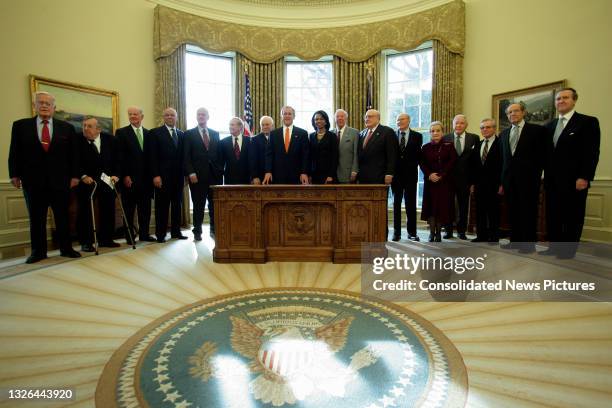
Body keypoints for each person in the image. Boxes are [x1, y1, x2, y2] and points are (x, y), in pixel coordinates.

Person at [8, 91, 81, 263]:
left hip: (61, 181)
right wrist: (14, 174)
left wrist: (75, 176)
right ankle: (38, 252)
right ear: (34, 106)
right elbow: (14, 152)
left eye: (48, 103)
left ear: (54, 107)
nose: (44, 105)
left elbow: (74, 156)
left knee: (63, 217)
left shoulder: (67, 128)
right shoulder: (20, 126)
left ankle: (66, 248)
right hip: (33, 181)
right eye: (40, 102)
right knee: (36, 218)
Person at [541, 88, 600, 259]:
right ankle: (554, 247)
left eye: (565, 98)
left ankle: (568, 251)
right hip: (552, 180)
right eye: (558, 98)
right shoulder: (549, 126)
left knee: (572, 215)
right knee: (553, 215)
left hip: (575, 180)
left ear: (574, 100)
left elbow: (591, 152)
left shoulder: (587, 122)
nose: (561, 101)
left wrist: (584, 176)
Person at [499, 102, 546, 253]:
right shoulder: (504, 134)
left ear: (523, 112)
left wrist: (540, 175)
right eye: (509, 112)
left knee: (528, 211)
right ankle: (516, 240)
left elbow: (543, 156)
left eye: (516, 111)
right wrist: (502, 181)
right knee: (513, 211)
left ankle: (528, 244)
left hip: (529, 179)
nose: (512, 114)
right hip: (509, 180)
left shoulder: (537, 131)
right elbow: (503, 159)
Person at [76, 117, 120, 251]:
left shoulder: (110, 140)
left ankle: (106, 239)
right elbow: (73, 160)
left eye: (89, 126)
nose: (85, 128)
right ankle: (86, 242)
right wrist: (83, 176)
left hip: (107, 181)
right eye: (84, 126)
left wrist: (116, 175)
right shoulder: (77, 140)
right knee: (86, 212)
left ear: (98, 129)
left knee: (108, 209)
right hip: (87, 181)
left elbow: (118, 160)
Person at [115, 106, 155, 244]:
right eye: (130, 114)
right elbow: (119, 157)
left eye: (135, 114)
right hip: (130, 180)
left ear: (141, 117)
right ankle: (129, 236)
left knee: (145, 210)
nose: (132, 116)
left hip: (146, 181)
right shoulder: (121, 133)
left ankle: (144, 234)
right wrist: (125, 175)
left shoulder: (149, 133)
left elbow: (151, 158)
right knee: (129, 210)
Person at [183, 107, 222, 241]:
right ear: (196, 117)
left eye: (203, 114)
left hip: (214, 177)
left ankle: (214, 230)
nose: (201, 116)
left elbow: (219, 154)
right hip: (197, 177)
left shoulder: (215, 133)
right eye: (199, 114)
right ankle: (197, 231)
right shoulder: (188, 134)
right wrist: (190, 172)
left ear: (208, 117)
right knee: (198, 205)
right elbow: (186, 156)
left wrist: (220, 170)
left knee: (214, 205)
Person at [150, 107, 187, 243]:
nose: (170, 117)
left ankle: (176, 232)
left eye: (172, 115)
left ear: (176, 117)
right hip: (162, 178)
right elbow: (152, 157)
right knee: (162, 207)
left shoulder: (182, 134)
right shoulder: (155, 133)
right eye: (167, 115)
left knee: (177, 205)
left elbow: (184, 157)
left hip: (178, 178)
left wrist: (185, 175)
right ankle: (160, 234)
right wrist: (155, 175)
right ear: (163, 117)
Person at [442, 114, 479, 240]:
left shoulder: (474, 138)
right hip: (448, 180)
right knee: (448, 205)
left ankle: (461, 231)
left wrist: (473, 182)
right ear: (453, 125)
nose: (458, 125)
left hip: (465, 180)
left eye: (461, 123)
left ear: (466, 125)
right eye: (456, 123)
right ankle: (448, 230)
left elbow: (476, 162)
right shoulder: (445, 138)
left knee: (464, 206)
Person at [420, 121, 457, 242]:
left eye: (438, 130)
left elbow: (452, 162)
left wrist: (441, 175)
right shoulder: (425, 147)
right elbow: (422, 163)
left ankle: (439, 234)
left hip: (444, 182)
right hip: (430, 182)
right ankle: (431, 233)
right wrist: (430, 174)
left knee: (441, 208)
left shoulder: (449, 145)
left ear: (442, 132)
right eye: (432, 131)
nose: (435, 133)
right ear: (430, 133)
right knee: (431, 208)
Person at [469, 118, 502, 243]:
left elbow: (503, 165)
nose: (485, 130)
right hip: (479, 185)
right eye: (482, 127)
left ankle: (494, 237)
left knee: (493, 211)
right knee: (480, 211)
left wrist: (501, 184)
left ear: (494, 129)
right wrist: (472, 183)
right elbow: (473, 166)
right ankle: (481, 235)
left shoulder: (501, 143)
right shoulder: (478, 144)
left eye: (488, 127)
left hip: (494, 184)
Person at [391, 113, 422, 242]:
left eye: (402, 119)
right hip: (396, 176)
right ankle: (396, 233)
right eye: (397, 120)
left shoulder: (417, 136)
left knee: (410, 205)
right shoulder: (392, 135)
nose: (399, 121)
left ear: (409, 121)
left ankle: (412, 232)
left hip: (410, 176)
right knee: (396, 205)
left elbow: (418, 156)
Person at [263, 106, 309, 185]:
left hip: (297, 176)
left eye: (289, 114)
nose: (287, 116)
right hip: (277, 175)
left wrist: (304, 172)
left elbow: (305, 155)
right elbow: (269, 154)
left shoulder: (302, 133)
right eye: (285, 114)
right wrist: (268, 171)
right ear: (281, 116)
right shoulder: (273, 134)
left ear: (293, 116)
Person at [357, 109, 398, 184]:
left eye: (370, 117)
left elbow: (392, 155)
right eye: (366, 117)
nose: (367, 119)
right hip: (363, 177)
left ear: (378, 118)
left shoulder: (387, 132)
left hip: (379, 176)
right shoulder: (362, 133)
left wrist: (389, 173)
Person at [220, 117, 253, 184]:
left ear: (240, 127)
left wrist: (254, 176)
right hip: (229, 180)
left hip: (246, 180)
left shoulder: (250, 141)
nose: (230, 127)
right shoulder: (223, 142)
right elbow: (220, 162)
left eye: (232, 125)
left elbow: (253, 161)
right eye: (229, 125)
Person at [309, 110, 338, 184]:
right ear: (313, 122)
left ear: (326, 121)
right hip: (314, 174)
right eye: (316, 119)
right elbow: (310, 156)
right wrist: (309, 174)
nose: (318, 121)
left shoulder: (332, 136)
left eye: (321, 119)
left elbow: (335, 157)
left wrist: (330, 175)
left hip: (328, 175)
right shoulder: (311, 136)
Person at [334, 109, 359, 183]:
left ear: (346, 118)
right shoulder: (331, 133)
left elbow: (356, 153)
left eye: (342, 116)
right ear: (335, 119)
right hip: (333, 174)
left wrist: (354, 170)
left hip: (348, 172)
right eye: (337, 116)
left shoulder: (354, 132)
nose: (340, 118)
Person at [250, 116, 274, 184]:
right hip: (260, 176)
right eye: (262, 125)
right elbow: (253, 159)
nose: (265, 127)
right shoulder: (255, 140)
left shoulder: (277, 138)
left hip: (276, 175)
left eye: (267, 124)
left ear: (272, 126)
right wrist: (255, 176)